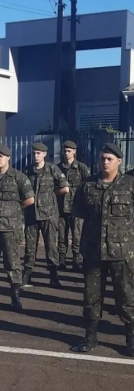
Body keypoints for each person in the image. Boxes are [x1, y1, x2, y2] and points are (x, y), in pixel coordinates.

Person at [71, 143, 134, 356]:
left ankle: (130, 339)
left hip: (122, 252)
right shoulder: (88, 185)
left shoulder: (129, 185)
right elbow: (78, 210)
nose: (105, 162)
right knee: (91, 296)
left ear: (119, 162)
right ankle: (90, 337)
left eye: (109, 159)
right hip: (93, 251)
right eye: (102, 158)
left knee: (126, 297)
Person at [0, 145, 34, 310]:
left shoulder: (18, 177)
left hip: (10, 227)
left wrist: (14, 210)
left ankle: (15, 296)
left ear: (8, 158)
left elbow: (29, 199)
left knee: (12, 262)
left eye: (1, 156)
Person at [22, 142, 69, 289]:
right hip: (31, 215)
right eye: (34, 153)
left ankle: (53, 277)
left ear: (44, 154)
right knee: (30, 247)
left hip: (49, 214)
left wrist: (51, 196)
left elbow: (65, 188)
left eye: (38, 153)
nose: (36, 156)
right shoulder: (28, 170)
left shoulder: (52, 169)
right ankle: (27, 276)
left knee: (51, 246)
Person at [57, 140, 90, 272]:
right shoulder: (58, 168)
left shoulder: (82, 168)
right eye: (65, 151)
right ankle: (62, 260)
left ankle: (77, 260)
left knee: (77, 236)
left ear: (74, 152)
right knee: (61, 236)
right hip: (61, 208)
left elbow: (87, 186)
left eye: (69, 151)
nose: (66, 153)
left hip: (76, 208)